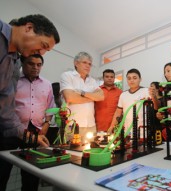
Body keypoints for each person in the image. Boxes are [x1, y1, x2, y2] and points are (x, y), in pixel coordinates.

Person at [0, 14, 60, 191]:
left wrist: (32, 137)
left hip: (25, 130)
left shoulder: (14, 63)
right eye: (43, 46)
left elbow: (5, 112)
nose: (41, 54)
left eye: (45, 52)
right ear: (28, 28)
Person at [14, 54, 55, 190]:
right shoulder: (13, 80)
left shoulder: (47, 84)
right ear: (22, 63)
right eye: (31, 64)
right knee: (3, 169)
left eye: (39, 65)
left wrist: (47, 123)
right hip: (13, 130)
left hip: (35, 131)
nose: (35, 67)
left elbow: (50, 106)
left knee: (31, 174)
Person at [60, 52, 104, 144]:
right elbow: (70, 97)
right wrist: (93, 97)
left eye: (90, 64)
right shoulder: (67, 76)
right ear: (76, 63)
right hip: (71, 125)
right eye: (84, 62)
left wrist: (83, 93)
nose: (88, 66)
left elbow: (101, 96)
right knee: (71, 153)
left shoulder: (92, 80)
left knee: (90, 152)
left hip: (91, 125)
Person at [108, 69, 151, 138]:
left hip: (143, 133)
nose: (131, 80)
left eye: (134, 78)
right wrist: (111, 127)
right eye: (129, 78)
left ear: (140, 79)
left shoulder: (146, 91)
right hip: (127, 133)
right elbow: (118, 112)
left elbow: (155, 107)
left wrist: (154, 95)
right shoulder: (123, 95)